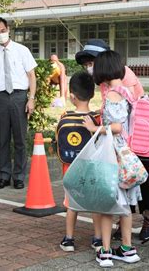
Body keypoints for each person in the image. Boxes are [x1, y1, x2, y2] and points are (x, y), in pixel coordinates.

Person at [77, 39, 149, 241]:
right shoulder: (107, 82)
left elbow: (122, 115)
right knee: (126, 183)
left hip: (137, 137)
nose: (89, 68)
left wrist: (97, 127)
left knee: (138, 179)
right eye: (86, 64)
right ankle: (125, 231)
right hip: (125, 138)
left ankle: (148, 217)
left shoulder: (121, 78)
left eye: (91, 63)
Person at [83, 50, 141, 268]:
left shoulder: (114, 94)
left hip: (113, 154)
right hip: (126, 153)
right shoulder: (126, 91)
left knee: (107, 203)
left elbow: (116, 127)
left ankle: (106, 252)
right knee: (124, 205)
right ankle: (127, 249)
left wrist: (94, 128)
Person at [0, 17, 37, 190]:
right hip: (0, 98)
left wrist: (31, 98)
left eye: (2, 30)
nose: (0, 34)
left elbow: (31, 76)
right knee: (3, 139)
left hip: (19, 96)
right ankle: (3, 176)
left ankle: (19, 176)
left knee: (20, 138)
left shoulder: (22, 50)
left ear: (8, 29)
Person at [58, 71, 102, 252]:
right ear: (92, 94)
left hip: (71, 170)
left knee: (71, 205)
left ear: (72, 96)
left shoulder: (64, 117)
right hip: (92, 169)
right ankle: (98, 239)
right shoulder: (96, 119)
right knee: (96, 205)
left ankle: (69, 239)